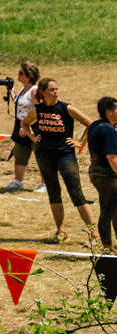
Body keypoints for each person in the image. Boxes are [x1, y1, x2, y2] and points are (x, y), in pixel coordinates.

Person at [27, 76, 98, 243]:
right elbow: (25, 123)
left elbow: (91, 124)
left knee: (76, 194)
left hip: (65, 156)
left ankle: (94, 235)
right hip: (44, 155)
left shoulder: (66, 108)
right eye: (52, 90)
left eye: (56, 89)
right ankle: (60, 231)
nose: (56, 92)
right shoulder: (38, 110)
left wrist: (80, 142)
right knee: (53, 192)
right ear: (43, 93)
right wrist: (32, 136)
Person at [0, 62, 42, 193]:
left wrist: (28, 125)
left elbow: (38, 110)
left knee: (40, 155)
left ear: (29, 76)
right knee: (20, 153)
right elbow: (19, 104)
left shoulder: (34, 90)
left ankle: (44, 184)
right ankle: (18, 181)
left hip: (33, 126)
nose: (18, 75)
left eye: (21, 73)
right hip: (20, 125)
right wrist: (11, 91)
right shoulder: (23, 90)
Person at [87, 96, 117, 253]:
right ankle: (107, 247)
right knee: (108, 210)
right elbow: (112, 157)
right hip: (107, 175)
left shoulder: (95, 125)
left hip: (95, 172)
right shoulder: (108, 130)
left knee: (113, 209)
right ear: (109, 112)